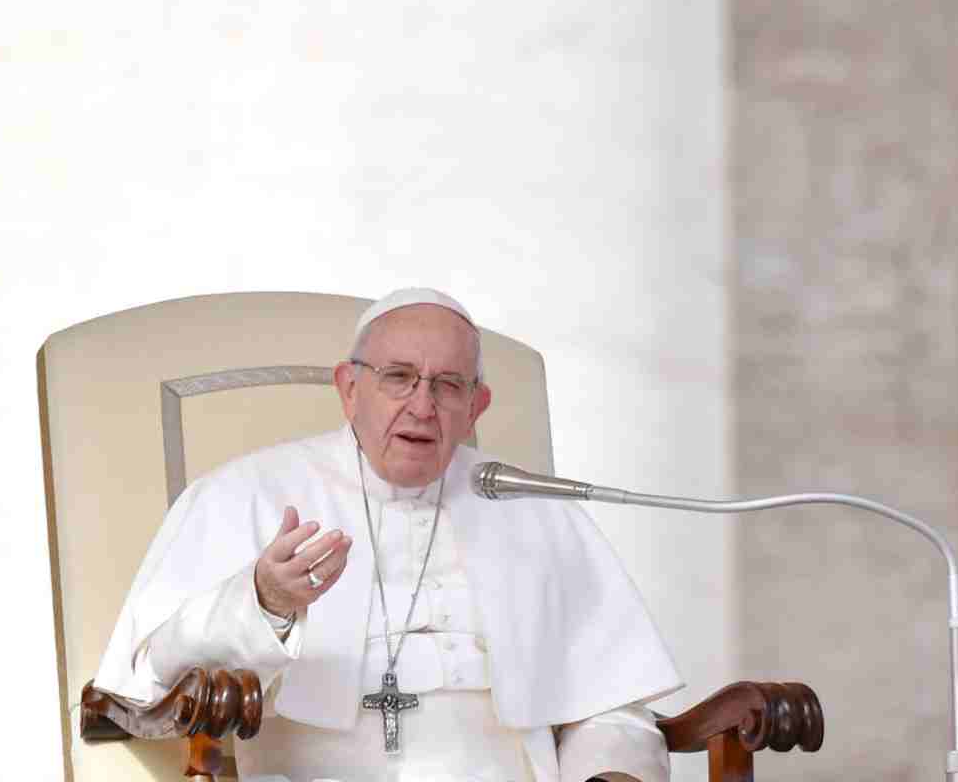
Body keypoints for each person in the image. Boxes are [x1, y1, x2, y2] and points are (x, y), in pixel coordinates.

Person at [94, 288, 682, 782]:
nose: (423, 406)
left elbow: (614, 703)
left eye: (449, 386)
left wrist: (610, 776)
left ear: (476, 405)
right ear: (349, 389)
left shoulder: (532, 504)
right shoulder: (243, 493)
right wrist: (263, 601)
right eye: (398, 378)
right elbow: (151, 686)